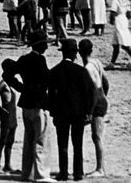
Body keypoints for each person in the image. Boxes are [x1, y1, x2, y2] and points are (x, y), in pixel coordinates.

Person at [6, 29, 53, 182]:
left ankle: (27, 173)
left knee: (29, 139)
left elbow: (7, 74)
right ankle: (41, 174)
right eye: (45, 43)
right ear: (40, 45)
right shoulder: (40, 60)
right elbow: (47, 79)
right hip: (39, 102)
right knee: (41, 139)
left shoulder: (24, 59)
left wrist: (21, 87)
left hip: (26, 102)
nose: (46, 46)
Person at [46, 38, 95, 182]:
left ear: (63, 53)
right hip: (78, 113)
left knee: (62, 143)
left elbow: (51, 95)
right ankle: (78, 172)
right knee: (77, 144)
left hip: (61, 113)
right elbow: (89, 93)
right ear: (75, 54)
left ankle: (63, 172)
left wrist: (53, 112)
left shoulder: (55, 71)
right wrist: (89, 112)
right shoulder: (81, 71)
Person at [78, 39, 108, 178]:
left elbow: (93, 91)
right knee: (97, 135)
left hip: (96, 102)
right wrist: (104, 97)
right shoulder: (96, 62)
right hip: (102, 99)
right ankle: (100, 167)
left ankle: (100, 168)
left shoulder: (87, 68)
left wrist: (89, 111)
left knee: (97, 136)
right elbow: (105, 82)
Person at [0, 59, 19, 175]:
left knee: (10, 140)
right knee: (3, 139)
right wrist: (0, 108)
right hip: (7, 113)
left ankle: (7, 165)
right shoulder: (3, 83)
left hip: (12, 113)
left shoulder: (10, 83)